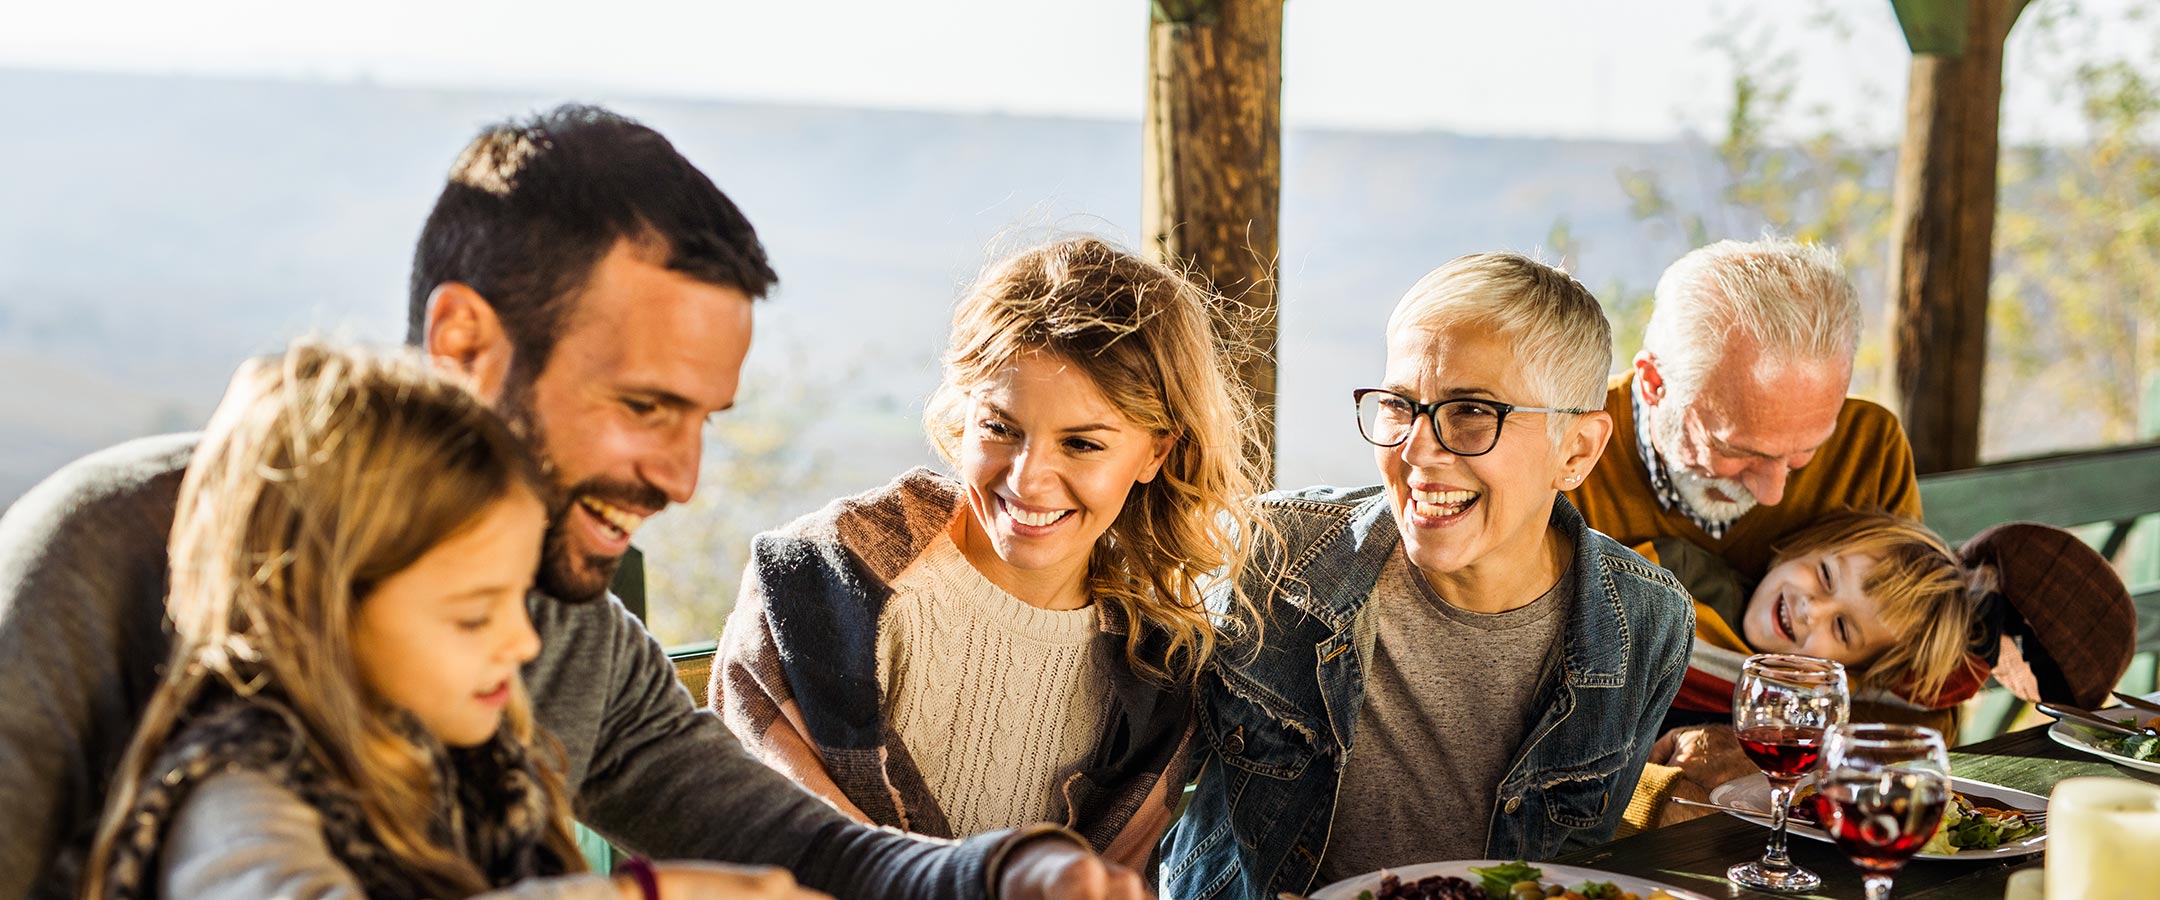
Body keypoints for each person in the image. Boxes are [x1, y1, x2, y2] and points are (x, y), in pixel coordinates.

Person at [0, 105, 1139, 900]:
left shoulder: (568, 631)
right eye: (645, 406)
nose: (682, 479)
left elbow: (803, 848)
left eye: (706, 420)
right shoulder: (109, 550)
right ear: (465, 342)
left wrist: (1008, 871)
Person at [84, 342, 817, 899]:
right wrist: (641, 893)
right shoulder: (237, 792)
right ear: (319, 617)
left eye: (517, 601)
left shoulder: (480, 774)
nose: (526, 642)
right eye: (473, 617)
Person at [717, 237, 1263, 870]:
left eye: (1082, 444)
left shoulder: (1154, 671)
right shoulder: (832, 582)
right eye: (1000, 428)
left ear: (1156, 453)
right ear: (964, 412)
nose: (1028, 479)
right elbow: (772, 836)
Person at [1161, 253, 1694, 900]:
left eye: (1471, 410)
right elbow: (1134, 788)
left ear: (1576, 450)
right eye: (1398, 406)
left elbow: (1566, 872)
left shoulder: (1649, 621)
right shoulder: (1270, 557)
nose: (1416, 450)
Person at [1566, 237, 1921, 582]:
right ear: (1655, 382)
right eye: (1736, 450)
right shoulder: (1562, 450)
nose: (1772, 493)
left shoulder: (1870, 450)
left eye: (1807, 450)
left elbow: (1915, 626)